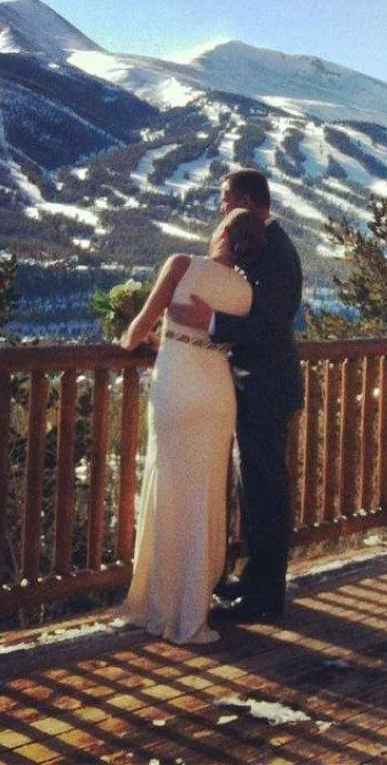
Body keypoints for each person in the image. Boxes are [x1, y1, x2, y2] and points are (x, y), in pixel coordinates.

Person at [119, 208, 267, 645]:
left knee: (168, 492)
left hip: (178, 390)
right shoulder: (244, 291)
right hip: (217, 395)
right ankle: (192, 609)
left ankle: (156, 604)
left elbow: (135, 331)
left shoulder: (182, 264)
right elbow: (218, 337)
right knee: (205, 499)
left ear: (221, 232)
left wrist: (137, 339)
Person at [169, 168, 303, 623]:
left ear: (246, 199)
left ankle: (265, 598)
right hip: (255, 385)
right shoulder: (262, 244)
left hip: (266, 387)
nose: (222, 208)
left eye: (226, 200)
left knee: (265, 491)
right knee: (254, 491)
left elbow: (268, 324)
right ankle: (253, 580)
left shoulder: (278, 254)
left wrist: (210, 322)